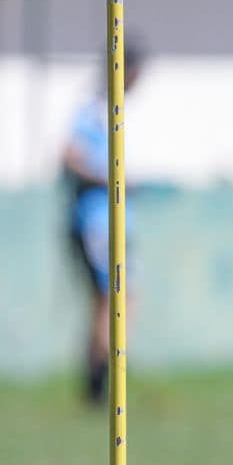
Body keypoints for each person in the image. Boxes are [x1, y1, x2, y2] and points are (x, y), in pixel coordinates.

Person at [62, 43, 144, 406]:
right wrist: (109, 178)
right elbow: (69, 155)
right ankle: (100, 381)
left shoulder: (116, 110)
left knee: (113, 302)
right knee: (115, 301)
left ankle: (100, 382)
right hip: (97, 222)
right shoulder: (95, 108)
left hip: (113, 222)